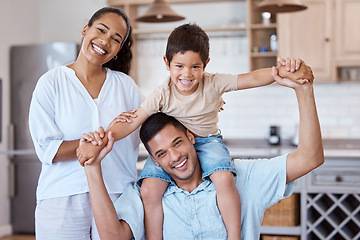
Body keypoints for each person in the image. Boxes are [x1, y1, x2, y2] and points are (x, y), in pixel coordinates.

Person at [76, 23, 314, 240]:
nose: (187, 74)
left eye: (195, 67)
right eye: (179, 66)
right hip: (178, 141)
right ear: (167, 64)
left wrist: (279, 73)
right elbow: (133, 120)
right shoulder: (162, 94)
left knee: (223, 178)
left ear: (206, 64)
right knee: (149, 189)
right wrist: (103, 139)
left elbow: (249, 78)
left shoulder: (214, 83)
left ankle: (233, 235)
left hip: (208, 142)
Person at [28, 7, 143, 240]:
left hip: (117, 195)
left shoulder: (126, 87)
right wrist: (95, 144)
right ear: (85, 29)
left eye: (115, 39)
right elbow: (48, 149)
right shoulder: (51, 82)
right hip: (62, 198)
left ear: (118, 50)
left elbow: (151, 126)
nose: (105, 41)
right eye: (101, 30)